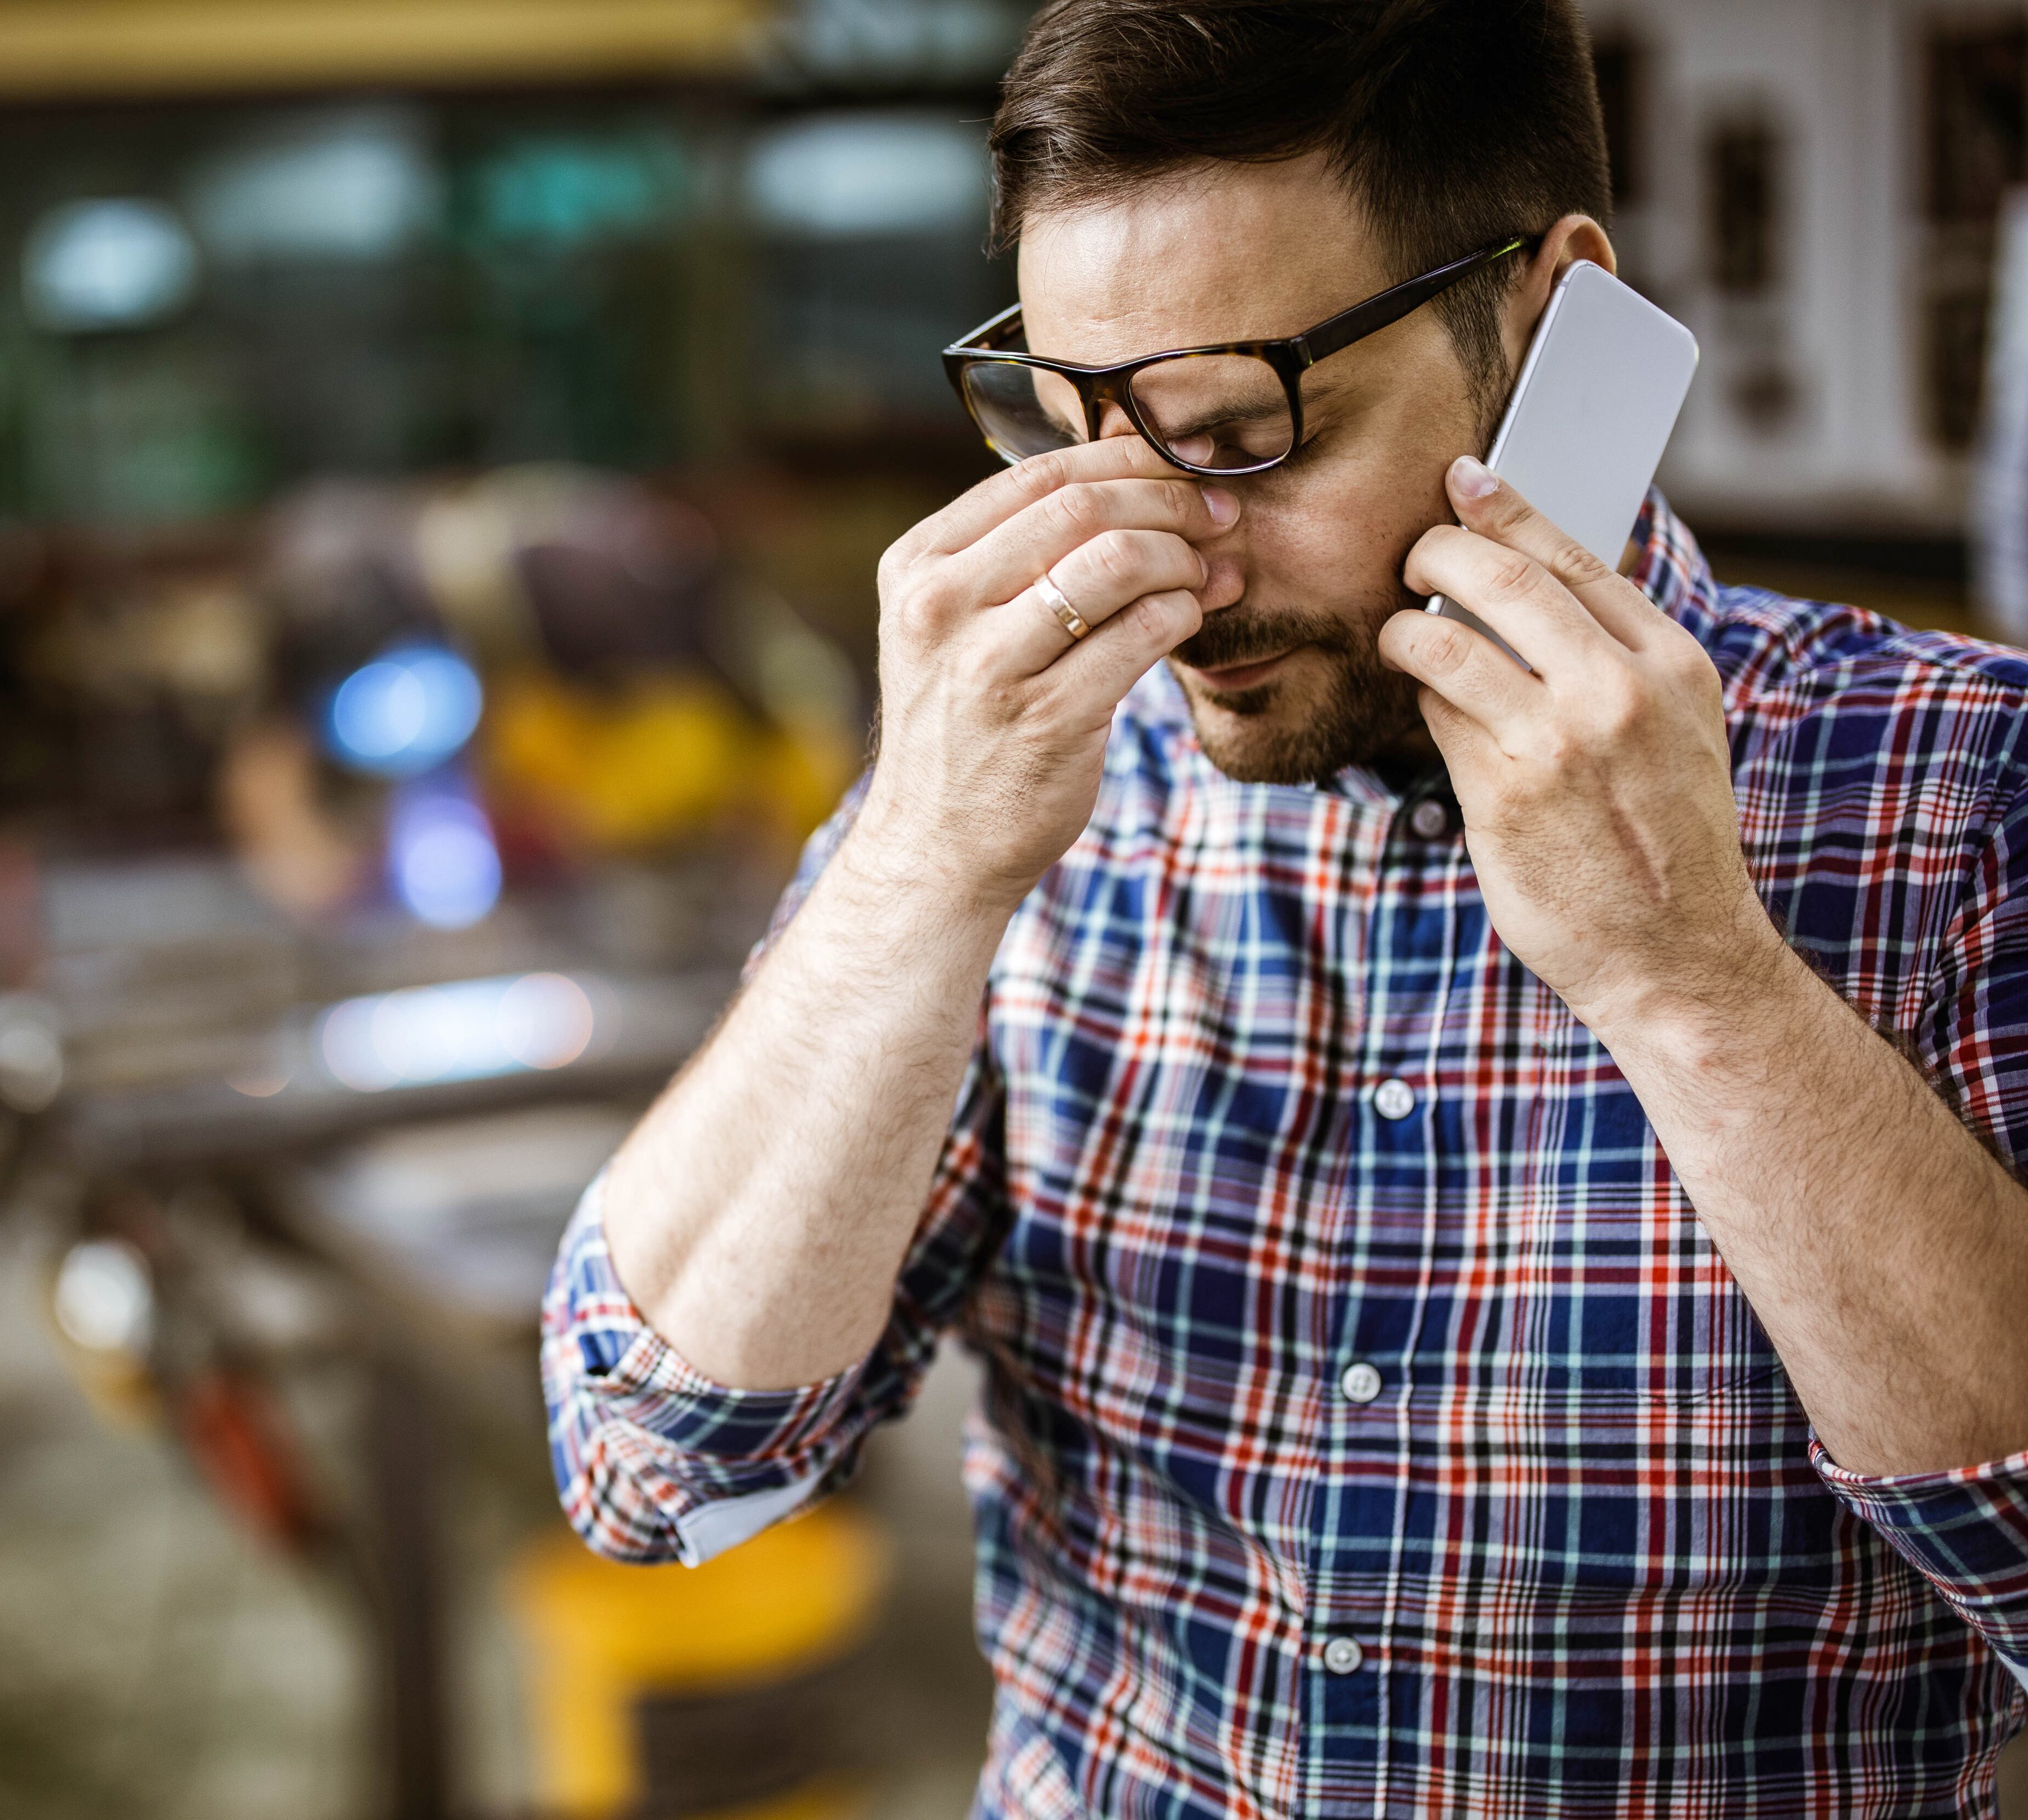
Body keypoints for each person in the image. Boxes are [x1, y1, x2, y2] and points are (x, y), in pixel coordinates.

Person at [542, 3, 2028, 1813]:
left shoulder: (1965, 788)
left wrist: (1694, 981)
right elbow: (652, 1468)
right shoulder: (1022, 795)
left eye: (1245, 432)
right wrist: (919, 871)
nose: (1159, 560)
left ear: (1557, 323)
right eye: (1079, 431)